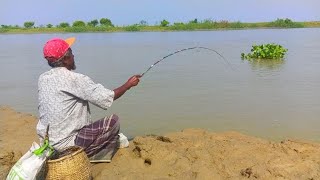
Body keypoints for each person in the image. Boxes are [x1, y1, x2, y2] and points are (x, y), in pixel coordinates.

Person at [36, 37, 141, 162]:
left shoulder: (43, 78)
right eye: (71, 53)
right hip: (67, 144)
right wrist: (128, 85)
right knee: (113, 121)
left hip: (47, 142)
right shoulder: (75, 79)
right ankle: (91, 155)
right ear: (65, 59)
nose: (74, 55)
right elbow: (107, 98)